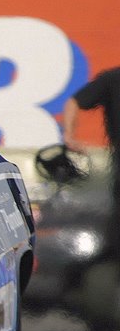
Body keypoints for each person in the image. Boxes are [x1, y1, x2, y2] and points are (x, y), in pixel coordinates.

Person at [62, 67, 120, 256]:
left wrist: (69, 136)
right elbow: (74, 102)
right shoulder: (113, 78)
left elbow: (74, 102)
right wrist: (69, 136)